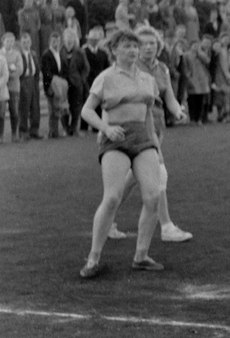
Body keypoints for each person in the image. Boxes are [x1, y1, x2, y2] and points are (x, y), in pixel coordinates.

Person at [78, 30, 171, 278]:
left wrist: (155, 146)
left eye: (135, 47)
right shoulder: (105, 77)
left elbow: (148, 114)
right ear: (115, 50)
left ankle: (141, 256)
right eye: (127, 46)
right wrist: (106, 128)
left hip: (142, 137)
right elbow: (86, 111)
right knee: (112, 198)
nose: (133, 50)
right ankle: (93, 258)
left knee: (152, 196)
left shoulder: (147, 79)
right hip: (115, 139)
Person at [107, 27, 192, 244]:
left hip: (158, 125)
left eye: (152, 43)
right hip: (139, 127)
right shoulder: (131, 69)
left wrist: (177, 111)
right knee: (158, 172)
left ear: (158, 45)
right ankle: (166, 226)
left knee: (134, 177)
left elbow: (169, 97)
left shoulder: (162, 68)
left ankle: (108, 218)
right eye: (142, 43)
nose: (147, 47)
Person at [17, 34, 42, 139]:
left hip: (33, 81)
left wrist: (36, 81)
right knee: (24, 107)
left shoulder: (33, 54)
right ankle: (23, 131)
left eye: (27, 42)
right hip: (24, 81)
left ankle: (34, 130)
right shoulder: (19, 55)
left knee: (35, 107)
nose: (26, 44)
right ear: (20, 44)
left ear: (30, 43)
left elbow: (37, 68)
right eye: (24, 42)